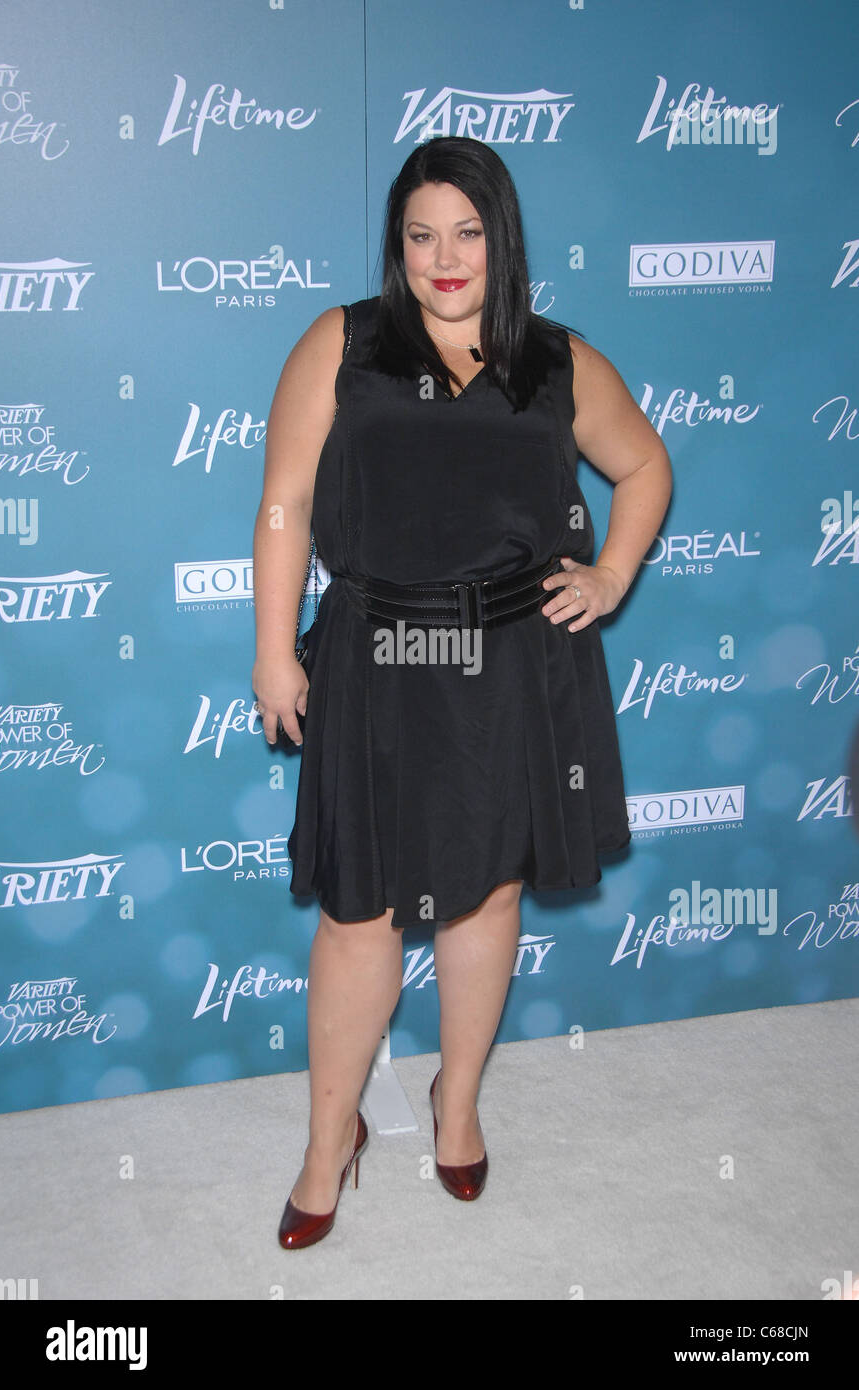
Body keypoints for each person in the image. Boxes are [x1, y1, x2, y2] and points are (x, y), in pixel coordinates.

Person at [251, 135, 672, 1249]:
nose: (445, 257)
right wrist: (270, 651)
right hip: (374, 661)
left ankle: (456, 1103)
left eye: (467, 232)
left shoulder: (554, 363)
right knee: (359, 917)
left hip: (506, 667)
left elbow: (643, 467)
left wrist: (612, 571)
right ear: (397, 244)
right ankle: (325, 1140)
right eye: (421, 234)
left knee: (487, 898)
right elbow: (286, 501)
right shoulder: (340, 345)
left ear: (502, 237)